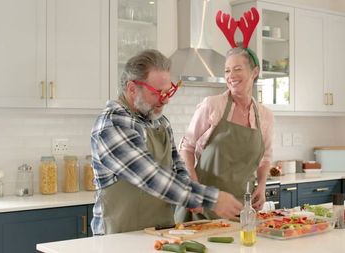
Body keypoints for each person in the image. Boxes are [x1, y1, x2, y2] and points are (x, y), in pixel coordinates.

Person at [90, 49, 243, 235]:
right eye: (157, 93)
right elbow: (152, 177)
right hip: (118, 239)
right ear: (132, 88)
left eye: (168, 91)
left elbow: (177, 168)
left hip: (160, 233)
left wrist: (192, 199)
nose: (166, 100)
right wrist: (212, 199)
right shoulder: (113, 124)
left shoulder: (159, 121)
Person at [177, 44, 274, 221]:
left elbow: (265, 157)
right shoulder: (213, 105)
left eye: (237, 69)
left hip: (242, 209)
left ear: (254, 72)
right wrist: (194, 187)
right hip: (205, 207)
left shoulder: (265, 115)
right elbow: (186, 147)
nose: (231, 76)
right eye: (227, 71)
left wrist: (261, 185)